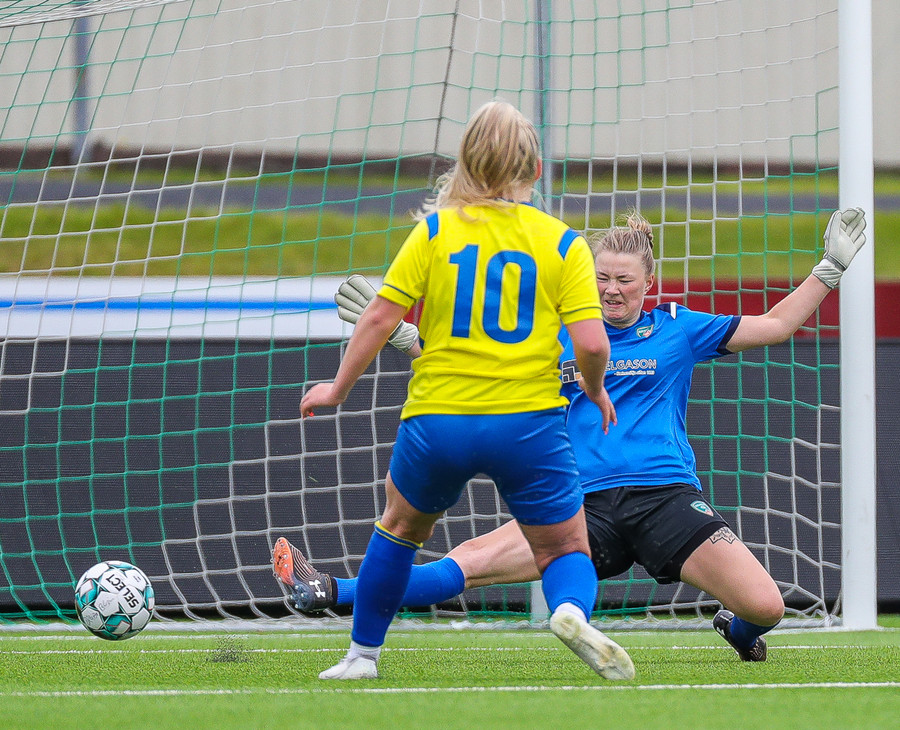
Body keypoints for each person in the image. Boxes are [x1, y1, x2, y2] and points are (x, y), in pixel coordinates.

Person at [275, 206, 867, 664]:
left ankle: (736, 631)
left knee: (766, 606)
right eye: (601, 278)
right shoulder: (554, 331)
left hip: (666, 497)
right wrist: (404, 337)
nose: (611, 289)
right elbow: (475, 368)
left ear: (649, 281)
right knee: (465, 563)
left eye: (624, 280)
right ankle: (326, 589)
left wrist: (829, 269)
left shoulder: (680, 329)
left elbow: (778, 325)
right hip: (576, 501)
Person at [286, 100, 635, 681]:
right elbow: (593, 345)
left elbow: (379, 317)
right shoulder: (563, 244)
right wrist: (596, 390)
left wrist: (337, 389)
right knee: (564, 548)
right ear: (536, 169)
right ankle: (571, 613)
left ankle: (361, 657)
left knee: (398, 529)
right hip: (526, 424)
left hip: (439, 419)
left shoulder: (435, 231)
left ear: (465, 163)